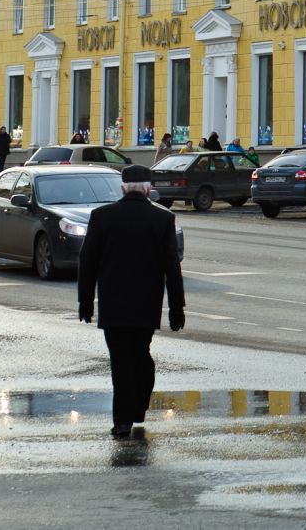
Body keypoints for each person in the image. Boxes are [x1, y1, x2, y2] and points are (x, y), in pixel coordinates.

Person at [78, 164, 186, 439]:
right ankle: (137, 408)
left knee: (120, 362)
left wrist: (86, 302)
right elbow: (172, 267)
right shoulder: (162, 219)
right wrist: (176, 308)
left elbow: (87, 263)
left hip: (113, 305)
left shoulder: (102, 217)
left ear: (122, 188)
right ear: (149, 189)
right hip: (147, 305)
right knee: (141, 355)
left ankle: (122, 420)